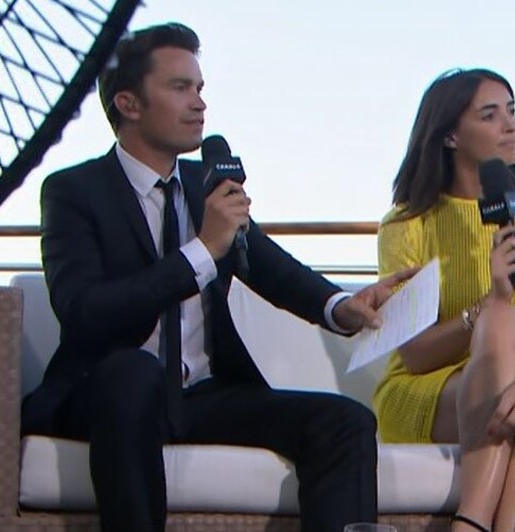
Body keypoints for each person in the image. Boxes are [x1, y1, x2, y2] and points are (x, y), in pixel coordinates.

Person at [21, 22, 416, 532]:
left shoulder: (205, 184)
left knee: (345, 421)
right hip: (108, 395)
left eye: (200, 88)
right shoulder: (74, 191)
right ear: (129, 104)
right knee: (133, 373)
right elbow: (83, 311)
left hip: (203, 395)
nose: (199, 103)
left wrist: (340, 306)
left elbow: (270, 265)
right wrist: (203, 251)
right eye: (180, 87)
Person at [372, 68, 515, 531]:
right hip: (428, 390)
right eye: (489, 115)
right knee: (504, 320)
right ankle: (472, 522)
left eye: (512, 111)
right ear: (450, 135)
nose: (510, 125)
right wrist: (491, 301)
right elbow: (415, 354)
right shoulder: (406, 225)